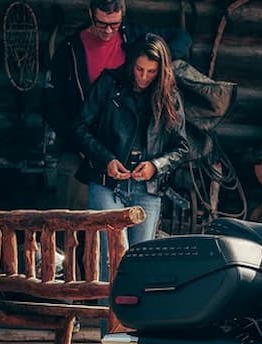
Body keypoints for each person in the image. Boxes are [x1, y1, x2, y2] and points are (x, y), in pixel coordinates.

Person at [44, 0, 191, 210]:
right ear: (91, 14)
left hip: (121, 147)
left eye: (114, 24)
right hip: (80, 142)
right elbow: (51, 104)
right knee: (73, 219)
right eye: (102, 23)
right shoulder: (70, 49)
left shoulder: (132, 36)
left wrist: (162, 63)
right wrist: (81, 145)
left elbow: (182, 38)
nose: (108, 31)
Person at [74, 34, 189, 250]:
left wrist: (156, 166)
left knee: (139, 261)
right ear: (131, 63)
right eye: (139, 69)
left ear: (161, 71)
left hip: (147, 189)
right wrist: (106, 159)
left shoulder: (169, 95)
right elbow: (80, 128)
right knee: (110, 258)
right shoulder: (109, 83)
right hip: (106, 184)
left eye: (151, 72)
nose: (143, 77)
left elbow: (181, 147)